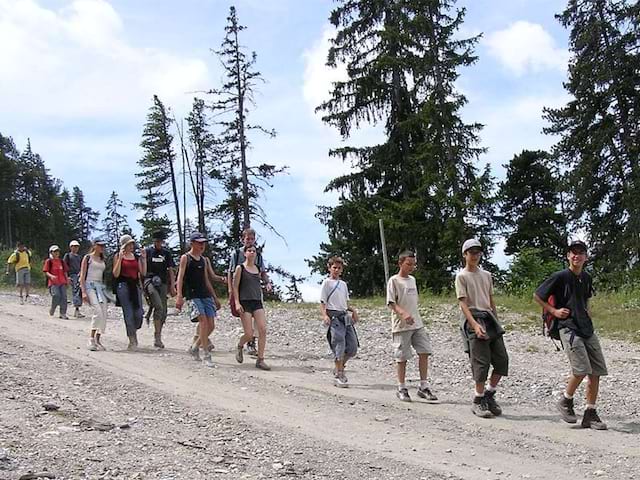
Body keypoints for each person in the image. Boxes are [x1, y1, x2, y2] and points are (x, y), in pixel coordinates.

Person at [533, 240, 608, 430]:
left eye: (580, 253)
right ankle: (566, 401)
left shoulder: (587, 277)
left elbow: (586, 299)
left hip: (586, 327)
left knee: (596, 371)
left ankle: (590, 413)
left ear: (586, 257)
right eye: (573, 253)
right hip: (568, 327)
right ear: (568, 256)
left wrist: (587, 312)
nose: (577, 256)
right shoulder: (560, 276)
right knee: (581, 369)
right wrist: (554, 311)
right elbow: (537, 295)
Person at [456, 239, 509, 418]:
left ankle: (489, 394)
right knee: (481, 362)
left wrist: (496, 319)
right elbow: (463, 303)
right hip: (473, 317)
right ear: (465, 254)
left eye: (478, 252)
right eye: (471, 252)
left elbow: (490, 299)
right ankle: (478, 401)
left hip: (489, 318)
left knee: (502, 361)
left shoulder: (486, 275)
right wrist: (474, 324)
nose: (475, 255)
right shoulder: (461, 276)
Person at [387, 251, 437, 402]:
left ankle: (423, 386)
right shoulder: (394, 281)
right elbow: (391, 303)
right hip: (401, 326)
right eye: (408, 264)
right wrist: (403, 313)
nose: (411, 267)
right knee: (402, 357)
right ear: (400, 263)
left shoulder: (413, 280)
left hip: (417, 323)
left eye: (413, 264)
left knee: (425, 351)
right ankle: (401, 387)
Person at [227, 228, 273, 357]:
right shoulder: (237, 254)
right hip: (242, 293)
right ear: (243, 239)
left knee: (261, 326)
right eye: (248, 239)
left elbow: (262, 272)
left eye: (252, 239)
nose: (250, 241)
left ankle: (258, 354)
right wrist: (230, 290)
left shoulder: (258, 257)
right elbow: (231, 273)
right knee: (248, 328)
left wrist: (267, 282)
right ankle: (244, 343)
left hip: (255, 295)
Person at [175, 232, 216, 368]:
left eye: (203, 243)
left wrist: (214, 297)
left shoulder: (204, 260)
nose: (202, 245)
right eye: (199, 243)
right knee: (203, 322)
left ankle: (195, 346)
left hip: (205, 294)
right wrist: (179, 295)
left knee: (211, 325)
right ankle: (206, 354)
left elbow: (206, 280)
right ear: (192, 243)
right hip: (192, 295)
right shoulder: (185, 258)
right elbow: (180, 278)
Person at [320, 256, 359, 387]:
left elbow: (345, 302)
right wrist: (325, 315)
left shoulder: (343, 284)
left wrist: (353, 312)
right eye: (334, 267)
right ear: (329, 268)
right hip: (334, 317)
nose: (336, 270)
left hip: (344, 316)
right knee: (339, 344)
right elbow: (323, 302)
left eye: (339, 268)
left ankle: (340, 365)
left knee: (352, 347)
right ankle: (339, 374)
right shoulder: (326, 283)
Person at [233, 244, 271, 371]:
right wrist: (237, 302)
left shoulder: (258, 268)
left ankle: (260, 359)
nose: (252, 253)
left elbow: (264, 278)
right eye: (249, 251)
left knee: (262, 329)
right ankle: (240, 345)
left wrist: (267, 283)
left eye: (254, 251)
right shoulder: (240, 268)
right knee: (249, 334)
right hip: (245, 302)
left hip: (257, 302)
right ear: (245, 253)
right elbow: (235, 286)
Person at [112, 234, 147, 350]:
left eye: (132, 244)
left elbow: (143, 272)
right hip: (123, 286)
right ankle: (132, 339)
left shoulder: (136, 257)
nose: (132, 246)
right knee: (128, 313)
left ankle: (134, 329)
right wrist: (120, 258)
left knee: (139, 313)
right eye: (129, 244)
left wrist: (143, 258)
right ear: (124, 245)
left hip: (135, 285)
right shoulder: (118, 256)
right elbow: (116, 274)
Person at [143, 231, 176, 349]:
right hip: (150, 281)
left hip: (162, 282)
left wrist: (172, 285)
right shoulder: (147, 252)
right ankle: (157, 336)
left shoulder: (166, 253)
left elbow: (171, 269)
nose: (158, 243)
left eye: (160, 241)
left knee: (164, 311)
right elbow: (142, 268)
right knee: (158, 306)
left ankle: (158, 334)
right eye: (157, 241)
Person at [80, 239, 109, 351]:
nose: (102, 247)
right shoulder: (87, 258)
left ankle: (98, 338)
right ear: (94, 246)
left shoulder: (103, 260)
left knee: (104, 312)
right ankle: (91, 338)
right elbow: (82, 276)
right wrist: (83, 291)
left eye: (103, 246)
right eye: (100, 245)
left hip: (100, 286)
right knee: (97, 310)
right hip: (90, 285)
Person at [43, 245, 69, 319]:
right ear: (51, 252)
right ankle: (53, 308)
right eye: (55, 251)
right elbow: (46, 271)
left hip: (62, 282)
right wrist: (51, 276)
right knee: (56, 295)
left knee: (64, 297)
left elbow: (65, 272)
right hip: (53, 283)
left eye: (57, 251)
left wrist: (67, 280)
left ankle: (62, 313)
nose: (57, 253)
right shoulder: (49, 261)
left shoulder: (61, 261)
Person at [63, 240, 85, 318]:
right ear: (70, 247)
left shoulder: (79, 257)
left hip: (79, 275)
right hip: (72, 275)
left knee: (79, 291)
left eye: (77, 247)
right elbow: (64, 267)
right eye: (74, 246)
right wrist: (67, 277)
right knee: (76, 291)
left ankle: (77, 309)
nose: (76, 248)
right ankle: (76, 309)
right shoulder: (68, 256)